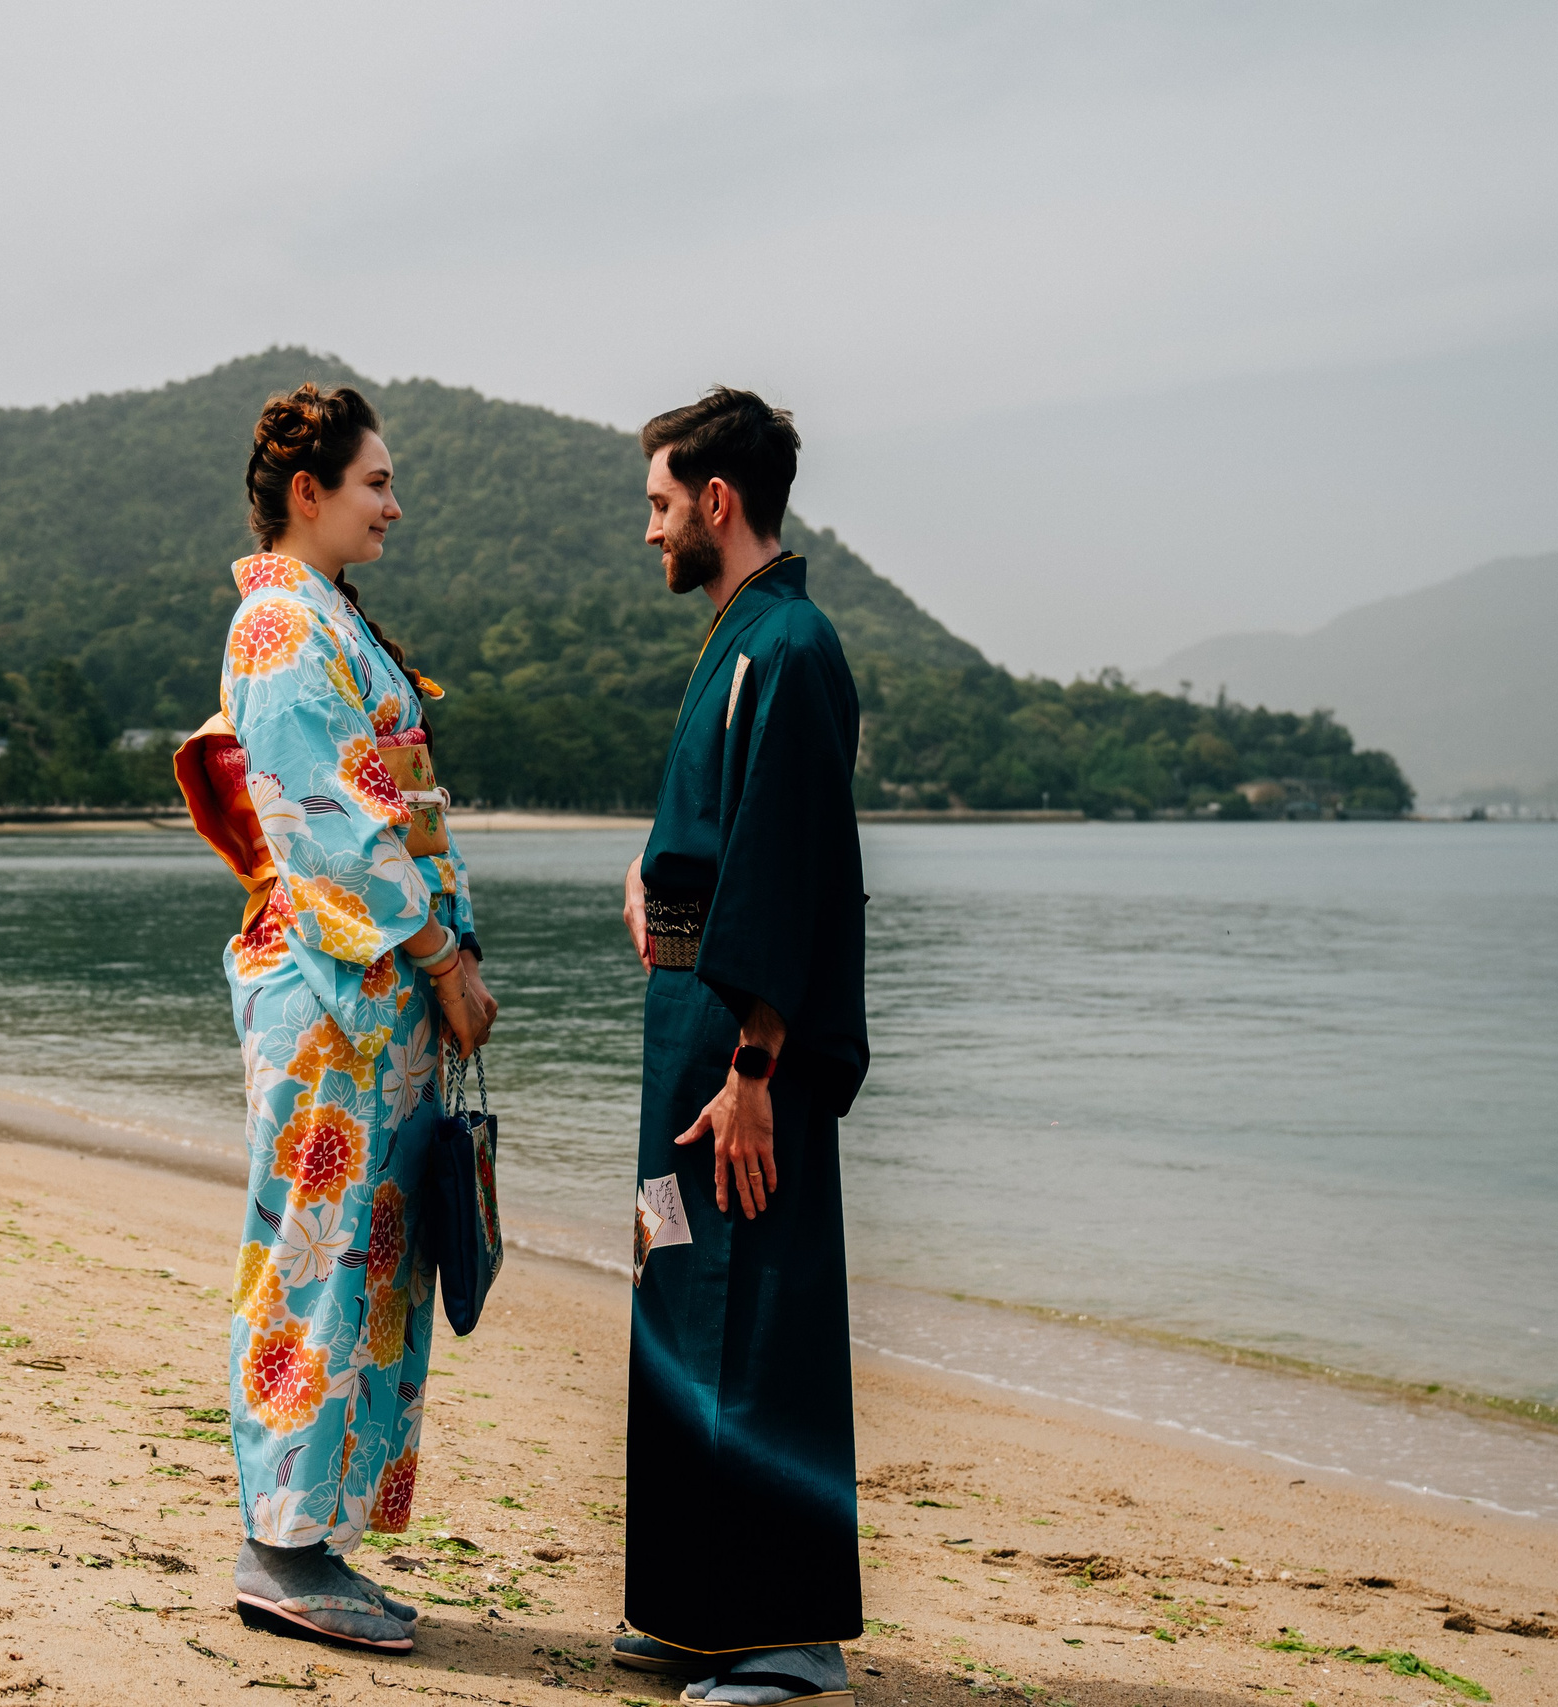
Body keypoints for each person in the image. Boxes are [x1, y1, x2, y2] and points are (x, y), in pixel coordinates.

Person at [174, 383, 498, 1653]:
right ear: (307, 492)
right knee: (313, 1254)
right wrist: (442, 959)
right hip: (333, 995)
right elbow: (334, 828)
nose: (393, 504)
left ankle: (312, 1542)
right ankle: (279, 1548)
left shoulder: (325, 619)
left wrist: (441, 958)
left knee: (359, 1256)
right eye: (374, 482)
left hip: (366, 998)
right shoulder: (278, 630)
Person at [614, 389, 869, 1706]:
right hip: (691, 1030)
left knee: (757, 1308)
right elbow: (714, 843)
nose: (650, 528)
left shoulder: (794, 646)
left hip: (740, 1055)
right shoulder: (740, 643)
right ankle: (693, 1602)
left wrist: (760, 1066)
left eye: (661, 503)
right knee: (679, 1281)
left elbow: (796, 866)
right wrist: (648, 879)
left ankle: (789, 1623)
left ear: (719, 501)